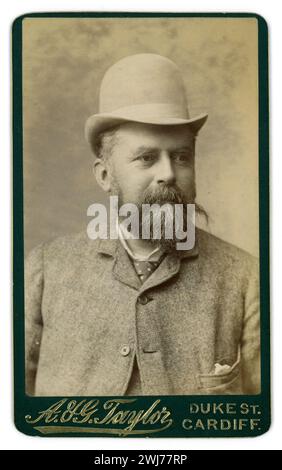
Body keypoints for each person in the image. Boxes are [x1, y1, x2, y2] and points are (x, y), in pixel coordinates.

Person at [25, 53, 260, 396]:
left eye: (181, 157)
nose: (168, 173)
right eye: (146, 158)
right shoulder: (44, 271)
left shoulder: (245, 278)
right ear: (105, 176)